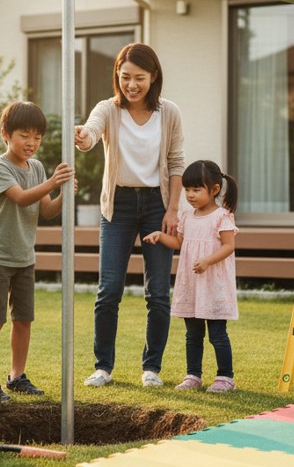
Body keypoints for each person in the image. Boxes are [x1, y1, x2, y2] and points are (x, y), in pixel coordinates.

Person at [75, 43, 185, 388]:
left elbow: (177, 162)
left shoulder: (169, 113)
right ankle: (103, 367)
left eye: (139, 78)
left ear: (153, 77)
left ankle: (151, 368)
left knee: (158, 293)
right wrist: (84, 137)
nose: (131, 85)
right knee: (109, 289)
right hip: (117, 206)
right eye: (125, 77)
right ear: (117, 77)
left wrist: (172, 210)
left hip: (157, 204)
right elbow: (92, 131)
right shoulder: (108, 109)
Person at [0, 101, 76, 400]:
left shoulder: (36, 168)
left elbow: (45, 211)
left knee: (23, 319)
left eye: (37, 137)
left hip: (23, 257)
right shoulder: (0, 168)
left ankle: (17, 376)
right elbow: (20, 198)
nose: (31, 143)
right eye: (24, 135)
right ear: (5, 134)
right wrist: (51, 183)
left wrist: (63, 193)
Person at [143, 160, 239, 393]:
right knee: (192, 334)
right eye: (187, 190)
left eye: (196, 190)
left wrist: (207, 261)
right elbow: (178, 243)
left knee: (217, 334)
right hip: (192, 285)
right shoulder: (186, 217)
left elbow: (229, 246)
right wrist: (160, 235)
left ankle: (225, 377)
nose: (190, 195)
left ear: (214, 190)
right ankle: (193, 375)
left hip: (214, 285)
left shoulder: (222, 217)